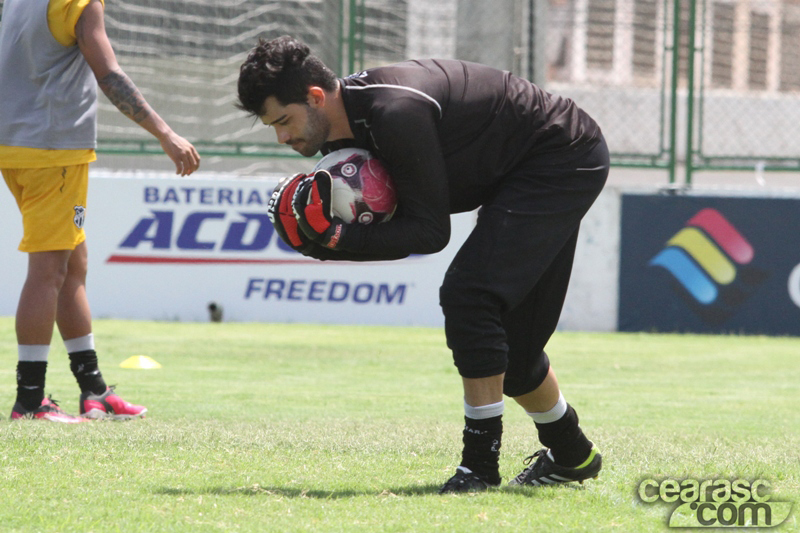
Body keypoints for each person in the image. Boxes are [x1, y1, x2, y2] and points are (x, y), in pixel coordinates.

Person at [237, 35, 608, 492]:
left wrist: (335, 239)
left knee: (469, 297)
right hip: (522, 171)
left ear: (315, 97)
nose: (282, 137)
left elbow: (430, 232)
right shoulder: (341, 137)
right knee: (512, 356)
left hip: (561, 155)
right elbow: (403, 229)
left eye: (283, 120)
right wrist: (326, 246)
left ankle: (478, 468)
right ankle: (572, 454)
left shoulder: (394, 112)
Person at [0, 0, 201, 422]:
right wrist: (166, 134)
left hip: (17, 146)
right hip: (53, 149)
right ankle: (30, 402)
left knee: (72, 265)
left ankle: (94, 391)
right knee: (49, 271)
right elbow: (109, 74)